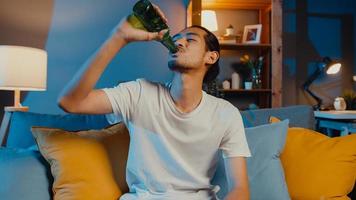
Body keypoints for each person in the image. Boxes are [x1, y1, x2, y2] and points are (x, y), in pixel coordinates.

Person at [58, 4, 251, 200]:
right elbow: (71, 103)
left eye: (190, 39)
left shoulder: (226, 113)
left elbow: (240, 189)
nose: (180, 43)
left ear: (211, 57)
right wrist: (119, 37)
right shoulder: (140, 93)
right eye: (175, 39)